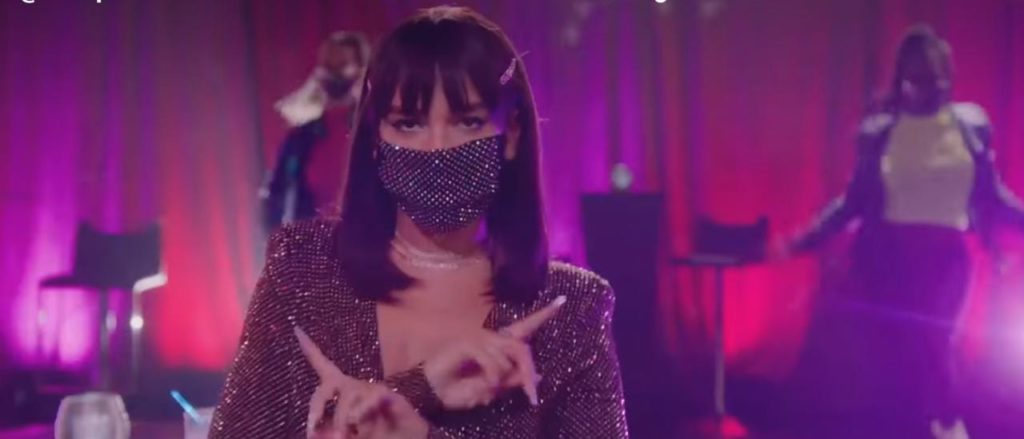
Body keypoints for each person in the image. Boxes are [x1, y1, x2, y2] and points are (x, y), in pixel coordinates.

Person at [211, 6, 627, 438]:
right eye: (408, 123)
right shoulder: (303, 268)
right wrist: (420, 387)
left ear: (513, 133)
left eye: (468, 122)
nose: (437, 148)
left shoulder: (569, 310)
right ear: (375, 137)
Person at [784, 24, 1024, 439]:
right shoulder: (879, 133)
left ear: (948, 77)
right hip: (888, 258)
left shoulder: (970, 126)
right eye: (919, 79)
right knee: (895, 362)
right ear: (903, 81)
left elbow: (992, 196)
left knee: (936, 349)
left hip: (947, 258)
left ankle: (945, 427)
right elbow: (853, 203)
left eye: (937, 79)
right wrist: (803, 239)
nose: (930, 89)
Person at [260, 31, 371, 234]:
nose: (333, 74)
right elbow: (276, 195)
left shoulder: (374, 131)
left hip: (367, 239)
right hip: (316, 240)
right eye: (328, 66)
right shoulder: (301, 138)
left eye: (342, 65)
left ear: (360, 69)